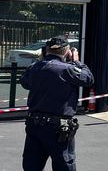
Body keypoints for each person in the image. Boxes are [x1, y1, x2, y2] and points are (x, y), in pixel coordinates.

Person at [20, 37, 94, 171]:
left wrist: (41, 61)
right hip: (58, 129)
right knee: (64, 165)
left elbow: (25, 83)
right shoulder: (68, 69)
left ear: (46, 50)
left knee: (32, 165)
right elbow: (88, 78)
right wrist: (76, 61)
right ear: (67, 52)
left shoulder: (34, 68)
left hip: (34, 125)